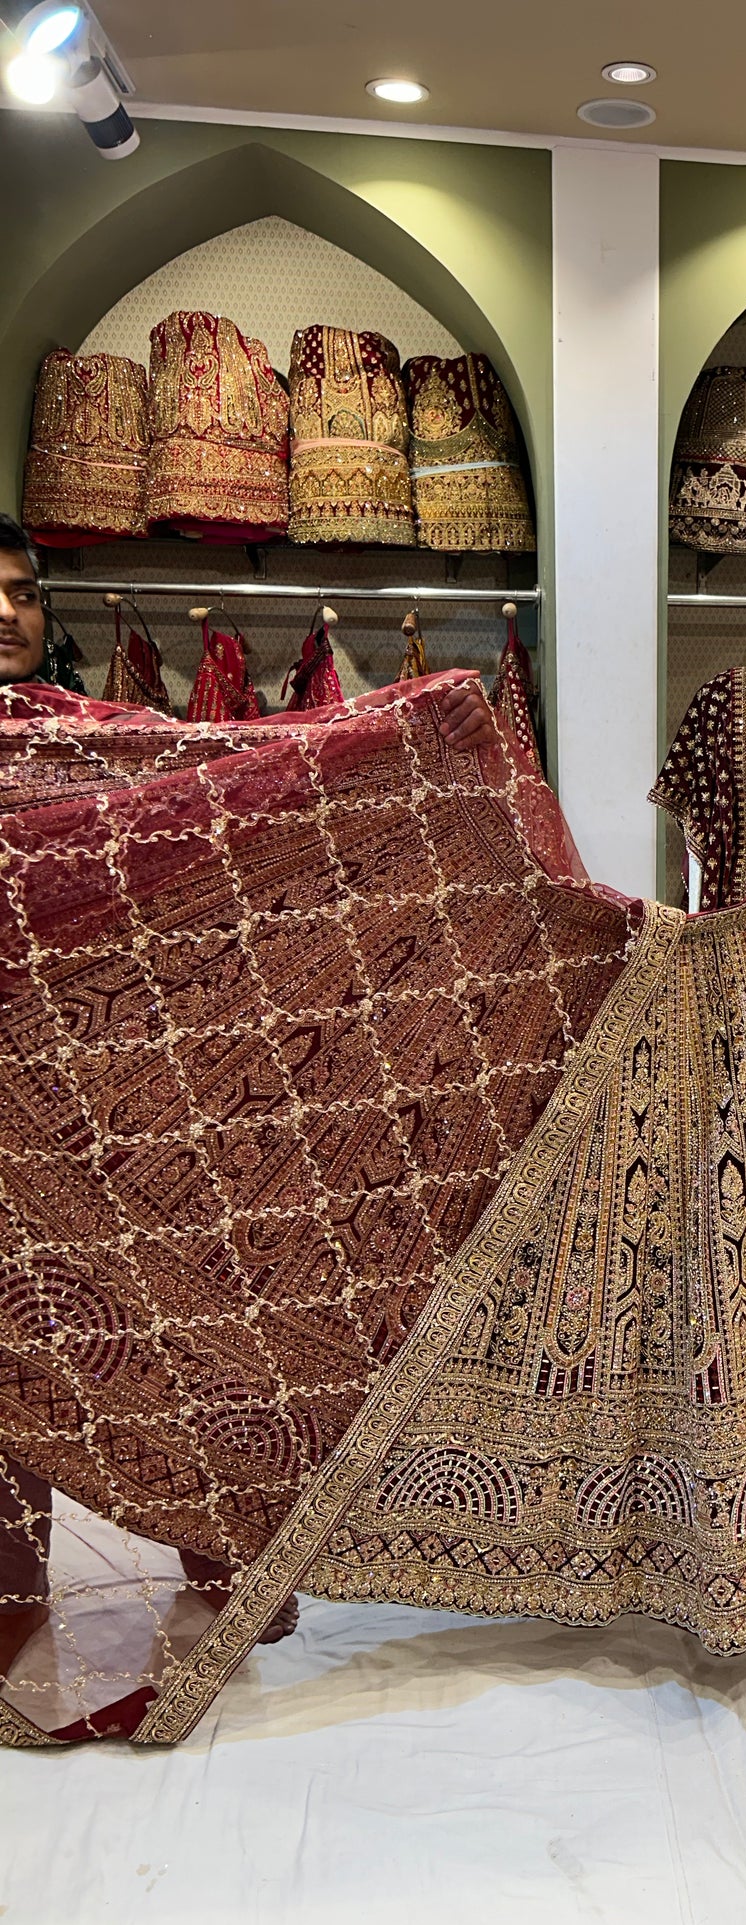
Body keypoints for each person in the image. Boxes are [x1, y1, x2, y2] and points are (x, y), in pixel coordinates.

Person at [0, 513, 496, 1681]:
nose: (7, 612)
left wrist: (395, 734)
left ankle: (226, 1561)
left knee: (175, 1327)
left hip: (102, 1098)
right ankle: (8, 1596)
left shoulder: (93, 741)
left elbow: (226, 782)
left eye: (22, 590)